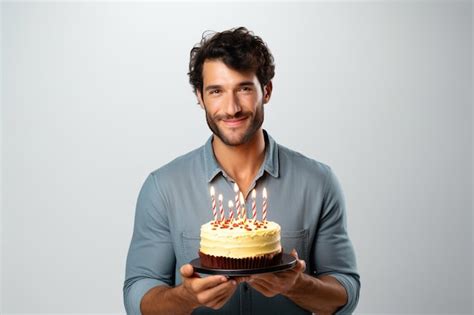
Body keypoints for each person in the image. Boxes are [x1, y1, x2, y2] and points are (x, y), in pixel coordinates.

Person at [123, 26, 360, 315]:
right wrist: (187, 297)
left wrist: (296, 285)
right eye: (216, 91)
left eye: (244, 88)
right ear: (200, 97)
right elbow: (138, 297)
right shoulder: (163, 187)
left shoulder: (318, 183)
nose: (231, 107)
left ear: (267, 91)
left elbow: (344, 294)